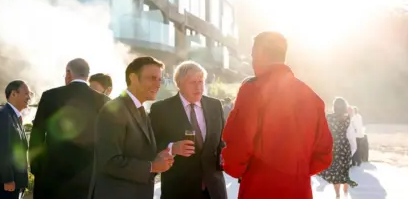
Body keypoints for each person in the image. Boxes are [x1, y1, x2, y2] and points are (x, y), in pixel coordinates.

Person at [222, 31, 333, 199]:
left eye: (253, 55)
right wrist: (297, 171)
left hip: (259, 188)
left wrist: (237, 169)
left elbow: (239, 142)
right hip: (298, 190)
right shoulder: (312, 97)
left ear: (261, 54)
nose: (252, 60)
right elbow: (324, 153)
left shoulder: (252, 90)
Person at [90, 56, 173, 199]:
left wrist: (159, 156)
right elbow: (109, 162)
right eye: (152, 78)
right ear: (133, 78)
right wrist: (152, 166)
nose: (158, 84)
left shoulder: (140, 110)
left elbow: (137, 152)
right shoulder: (114, 109)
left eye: (160, 79)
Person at [29, 58, 110, 199]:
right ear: (87, 76)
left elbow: (38, 133)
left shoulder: (50, 96)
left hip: (52, 174)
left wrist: (36, 168)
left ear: (68, 73)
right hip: (87, 177)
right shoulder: (103, 101)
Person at [149, 61, 227, 199]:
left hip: (214, 190)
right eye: (193, 82)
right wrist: (172, 148)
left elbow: (222, 140)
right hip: (179, 190)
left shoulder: (215, 105)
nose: (199, 87)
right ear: (179, 84)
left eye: (201, 81)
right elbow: (150, 145)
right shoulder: (161, 109)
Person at [0, 80, 32, 199]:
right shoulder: (3, 116)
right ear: (13, 94)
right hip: (5, 185)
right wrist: (8, 179)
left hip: (15, 183)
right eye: (26, 94)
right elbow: (1, 151)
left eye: (30, 94)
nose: (29, 97)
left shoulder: (14, 116)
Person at [319, 97, 358, 198]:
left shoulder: (329, 118)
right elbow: (351, 135)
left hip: (333, 147)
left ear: (334, 107)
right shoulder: (348, 118)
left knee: (336, 173)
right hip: (345, 148)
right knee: (344, 171)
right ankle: (345, 194)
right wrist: (353, 150)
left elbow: (324, 133)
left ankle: (337, 195)